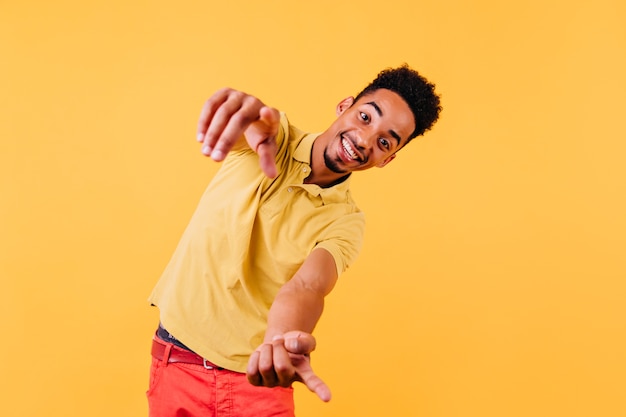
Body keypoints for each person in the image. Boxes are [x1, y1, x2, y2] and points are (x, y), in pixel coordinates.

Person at [146, 64, 442, 416]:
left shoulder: (346, 221)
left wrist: (280, 339)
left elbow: (307, 286)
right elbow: (255, 124)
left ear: (387, 160)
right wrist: (247, 115)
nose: (364, 140)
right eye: (365, 117)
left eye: (383, 142)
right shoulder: (275, 138)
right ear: (344, 105)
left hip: (260, 381)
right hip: (178, 363)